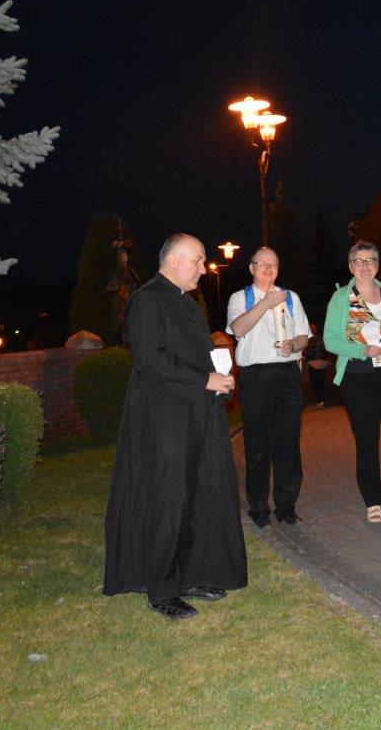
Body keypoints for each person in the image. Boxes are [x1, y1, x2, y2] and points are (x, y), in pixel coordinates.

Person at [104, 233, 247, 620]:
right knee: (169, 498)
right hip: (163, 419)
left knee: (197, 493)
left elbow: (194, 356)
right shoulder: (147, 300)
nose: (203, 268)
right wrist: (204, 380)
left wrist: (219, 377)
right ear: (173, 260)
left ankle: (191, 575)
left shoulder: (185, 303)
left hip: (195, 414)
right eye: (197, 260)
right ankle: (162, 590)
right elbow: (150, 359)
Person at [323, 241, 381, 523]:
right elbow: (330, 340)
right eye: (359, 260)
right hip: (359, 378)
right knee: (367, 441)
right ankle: (373, 501)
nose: (365, 266)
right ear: (350, 265)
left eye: (370, 260)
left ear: (377, 265)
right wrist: (362, 349)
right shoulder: (341, 297)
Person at [225, 247, 311, 528]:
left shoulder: (291, 297)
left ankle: (286, 507)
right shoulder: (240, 298)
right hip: (256, 376)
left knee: (288, 444)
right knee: (258, 445)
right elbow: (238, 329)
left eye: (273, 264)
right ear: (251, 268)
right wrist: (265, 303)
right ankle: (259, 509)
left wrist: (293, 345)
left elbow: (304, 337)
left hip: (287, 375)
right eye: (262, 263)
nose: (268, 268)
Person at [304, 321, 330, 408]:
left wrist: (306, 362)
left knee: (315, 383)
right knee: (321, 382)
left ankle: (319, 402)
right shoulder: (321, 338)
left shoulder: (309, 340)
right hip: (324, 364)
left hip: (314, 364)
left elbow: (307, 352)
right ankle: (323, 401)